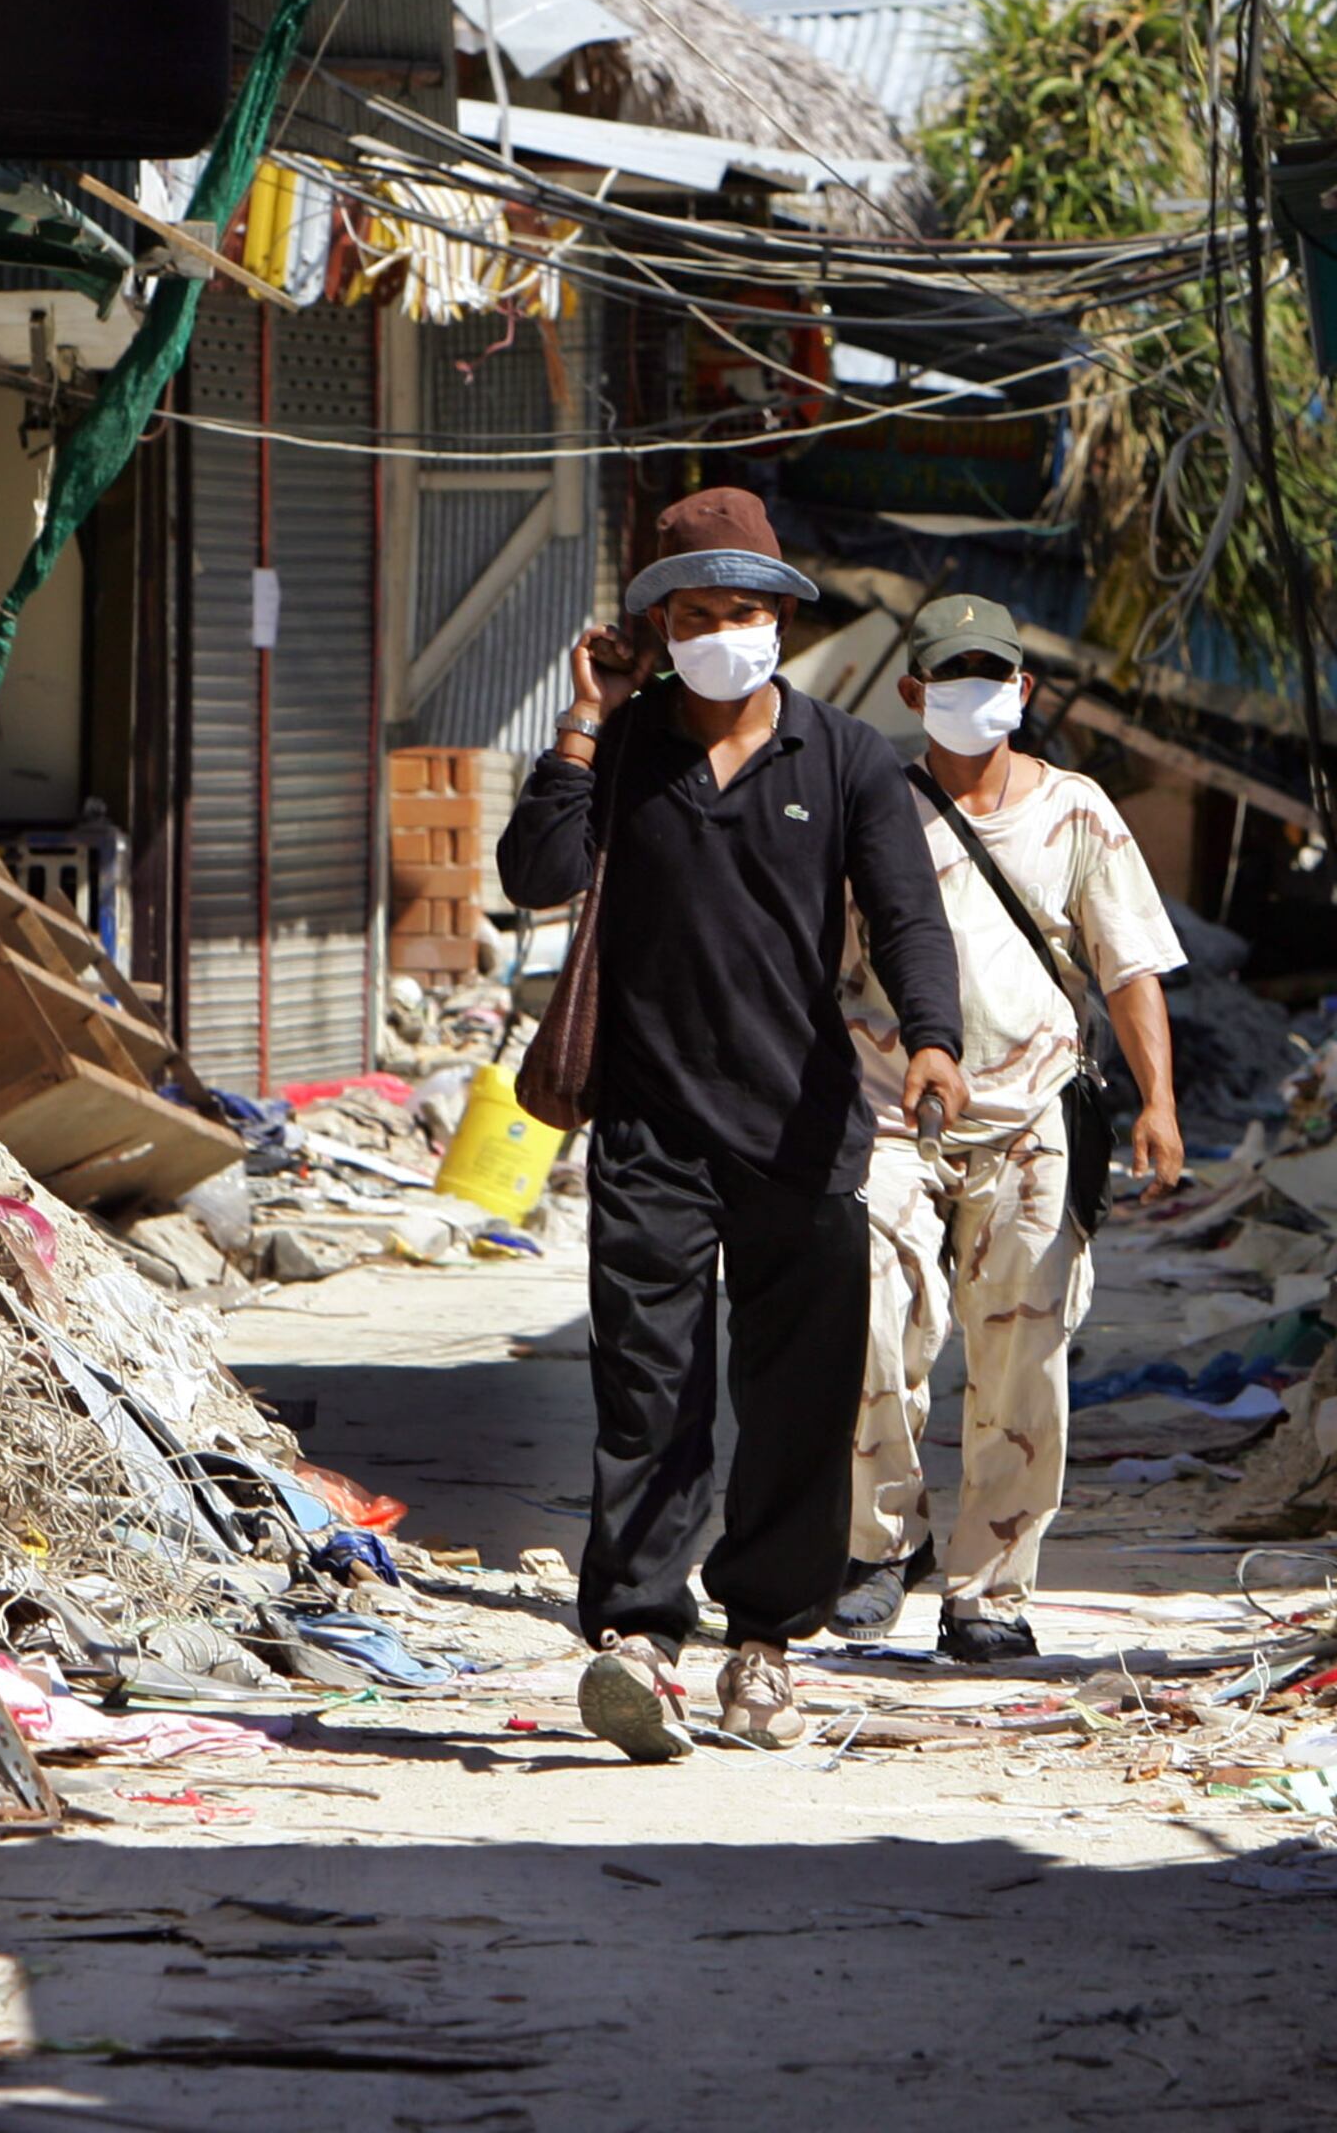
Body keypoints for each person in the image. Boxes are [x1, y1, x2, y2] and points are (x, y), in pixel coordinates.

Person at [497, 488, 968, 1761]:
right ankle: (640, 1637)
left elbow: (911, 917)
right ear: (657, 624)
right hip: (652, 1126)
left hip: (807, 1129)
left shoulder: (852, 759)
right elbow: (534, 873)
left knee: (800, 1397)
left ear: (781, 620)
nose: (725, 633)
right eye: (697, 613)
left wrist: (933, 1039)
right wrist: (587, 721)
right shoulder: (630, 746)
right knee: (650, 1389)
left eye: (746, 611)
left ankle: (764, 1642)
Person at [834, 594, 1187, 1663]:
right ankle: (882, 1542)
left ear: (1025, 690)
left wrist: (1159, 1102)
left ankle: (989, 1589)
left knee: (1024, 1348)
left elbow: (1127, 968)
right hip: (887, 1103)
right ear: (912, 694)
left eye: (995, 673)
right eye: (953, 675)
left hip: (1034, 1109)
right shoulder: (873, 803)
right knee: (862, 1303)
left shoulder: (1077, 812)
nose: (976, 693)